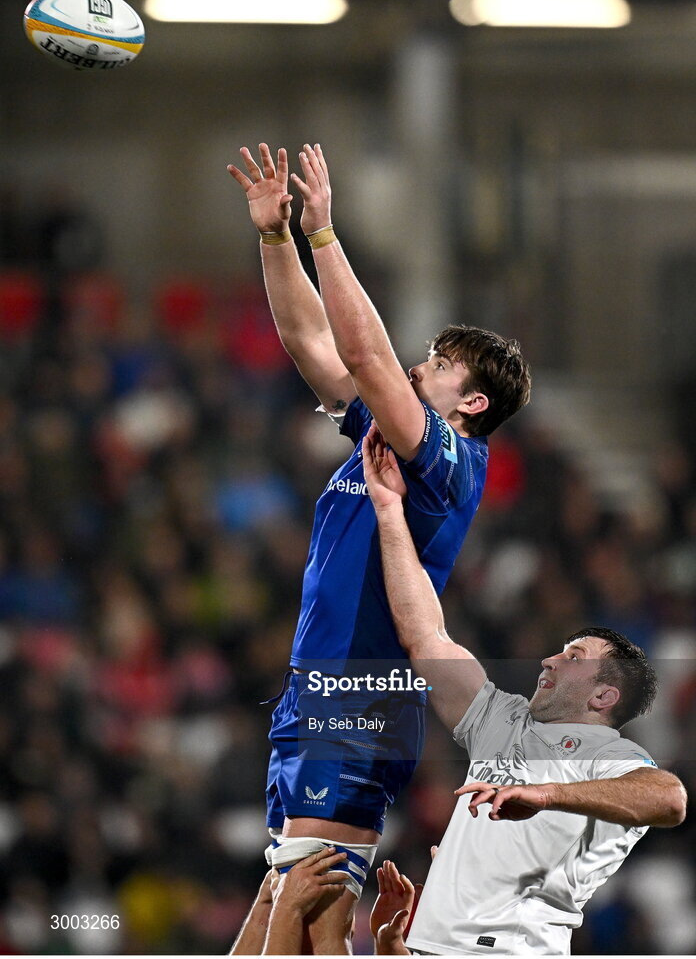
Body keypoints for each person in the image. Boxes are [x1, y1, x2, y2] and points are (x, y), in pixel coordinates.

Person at [227, 143, 531, 952]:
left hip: (358, 696)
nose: (413, 367)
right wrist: (276, 237)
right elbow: (313, 346)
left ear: (468, 402)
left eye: (434, 366)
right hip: (316, 690)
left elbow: (360, 353)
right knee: (280, 907)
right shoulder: (391, 439)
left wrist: (325, 234)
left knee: (309, 914)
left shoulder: (447, 462)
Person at [361, 424, 687, 956]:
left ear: (604, 697)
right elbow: (425, 636)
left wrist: (546, 793)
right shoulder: (502, 720)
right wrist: (389, 512)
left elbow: (669, 799)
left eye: (575, 657)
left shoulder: (615, 758)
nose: (550, 659)